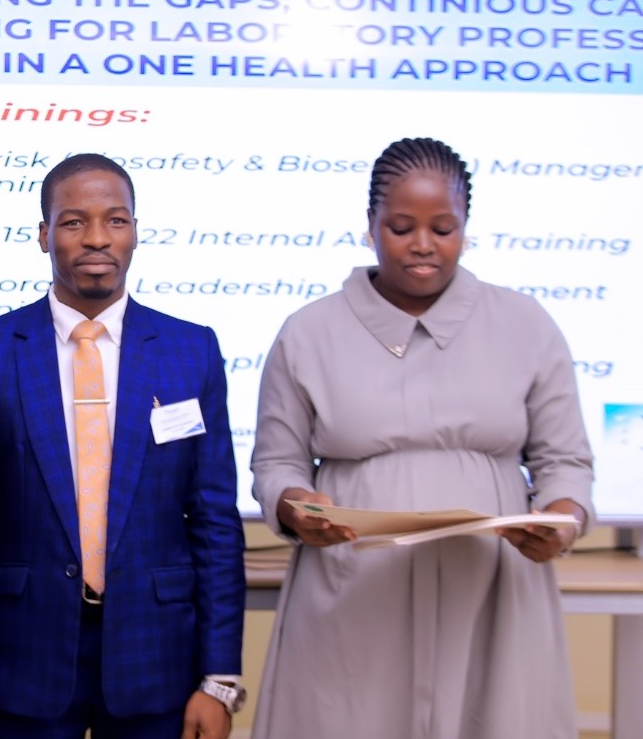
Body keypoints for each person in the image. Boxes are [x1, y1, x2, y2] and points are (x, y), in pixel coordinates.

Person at [250, 137, 594, 739]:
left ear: (466, 226)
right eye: (402, 226)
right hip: (352, 589)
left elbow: (565, 461)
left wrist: (561, 520)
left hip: (492, 589)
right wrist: (295, 505)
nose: (423, 245)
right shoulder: (307, 331)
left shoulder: (525, 324)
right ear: (370, 225)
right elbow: (277, 462)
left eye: (443, 227)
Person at [0, 154, 247, 739]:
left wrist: (219, 678)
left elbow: (214, 522)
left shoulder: (191, 351)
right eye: (74, 221)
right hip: (20, 657)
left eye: (116, 220)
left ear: (136, 231)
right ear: (44, 234)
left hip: (157, 657)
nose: (98, 239)